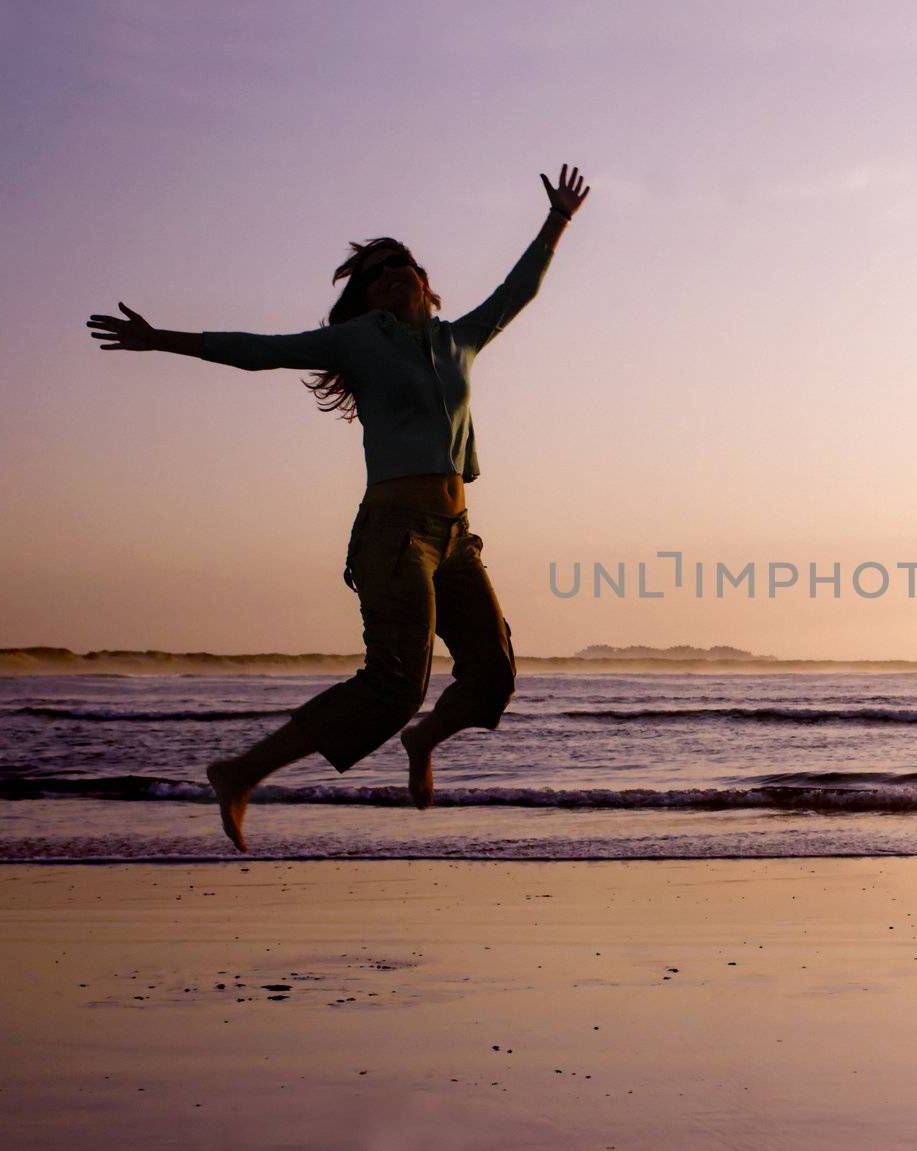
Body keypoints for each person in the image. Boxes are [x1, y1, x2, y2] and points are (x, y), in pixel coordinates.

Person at [86, 164, 590, 853]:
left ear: (423, 278)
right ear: (363, 298)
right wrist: (161, 339)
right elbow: (259, 352)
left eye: (400, 262)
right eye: (375, 269)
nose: (389, 270)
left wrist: (558, 219)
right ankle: (240, 772)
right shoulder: (356, 341)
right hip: (394, 534)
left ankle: (425, 739)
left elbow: (518, 290)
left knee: (494, 671)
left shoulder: (458, 339)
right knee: (395, 681)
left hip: (455, 534)